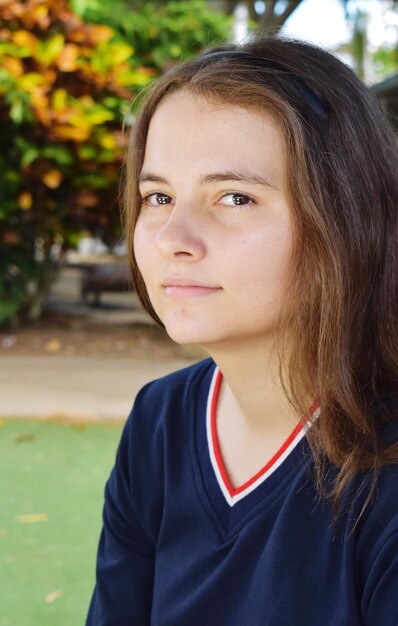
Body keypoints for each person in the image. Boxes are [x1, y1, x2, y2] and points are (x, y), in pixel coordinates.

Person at [86, 37, 398, 626]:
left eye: (234, 197)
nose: (174, 236)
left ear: (345, 218)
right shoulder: (162, 418)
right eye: (158, 196)